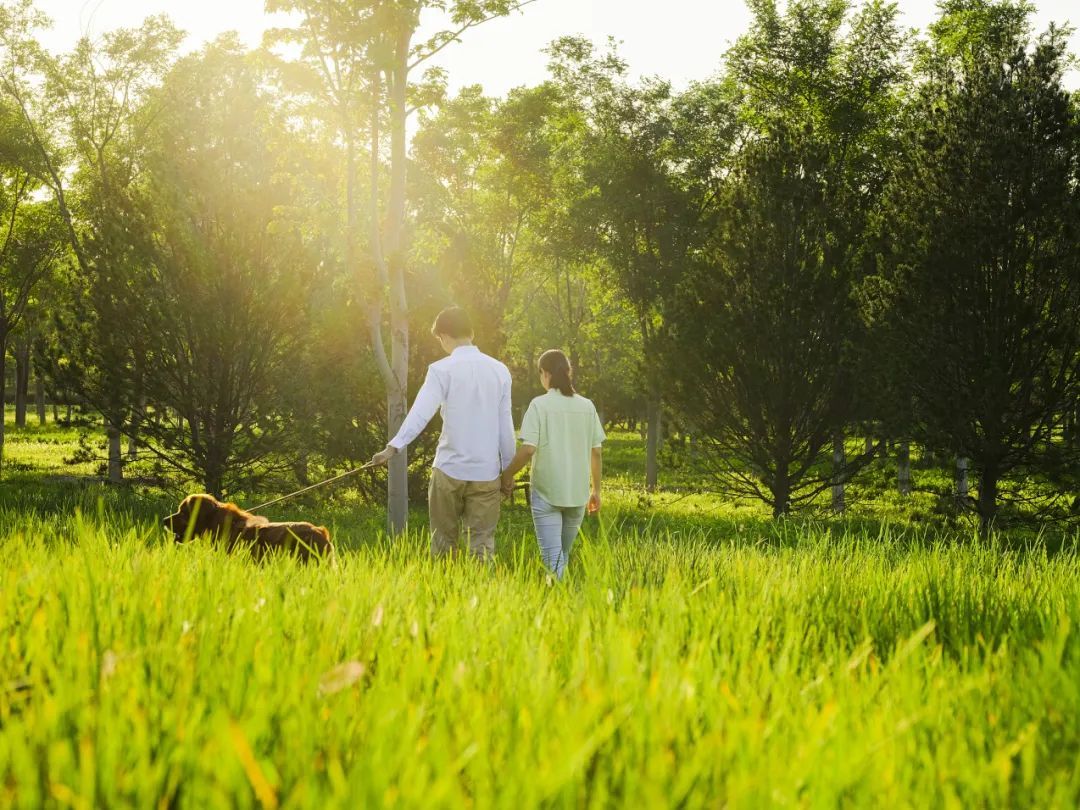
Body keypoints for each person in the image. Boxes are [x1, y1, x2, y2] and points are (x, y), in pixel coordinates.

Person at [370, 307, 514, 559]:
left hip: (448, 471)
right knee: (481, 545)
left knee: (443, 544)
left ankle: (446, 595)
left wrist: (392, 448)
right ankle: (481, 597)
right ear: (470, 332)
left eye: (439, 339)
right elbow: (505, 425)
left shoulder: (441, 369)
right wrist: (509, 471)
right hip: (486, 472)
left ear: (444, 335)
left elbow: (420, 413)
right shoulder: (499, 370)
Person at [501, 350, 604, 579]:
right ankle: (562, 604)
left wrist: (507, 474)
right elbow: (596, 451)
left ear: (545, 374)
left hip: (546, 493)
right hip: (577, 495)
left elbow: (528, 449)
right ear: (568, 372)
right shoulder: (587, 406)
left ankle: (560, 604)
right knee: (561, 557)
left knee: (554, 560)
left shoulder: (539, 405)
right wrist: (596, 490)